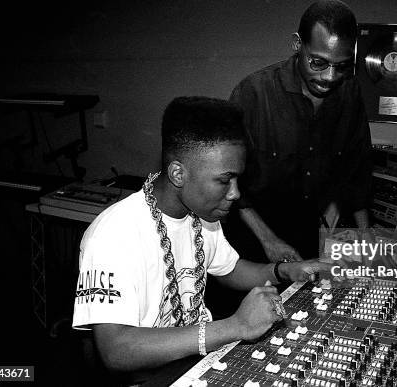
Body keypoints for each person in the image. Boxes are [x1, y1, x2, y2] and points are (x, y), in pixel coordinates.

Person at [72, 96, 331, 381]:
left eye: (237, 180)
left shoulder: (201, 213)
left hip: (197, 363)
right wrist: (234, 327)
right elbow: (116, 350)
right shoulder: (113, 234)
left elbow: (230, 269)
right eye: (224, 180)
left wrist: (284, 271)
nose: (235, 193)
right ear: (178, 174)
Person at [222, 0, 372, 267]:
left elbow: (356, 168)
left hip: (310, 238)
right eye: (318, 63)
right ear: (296, 44)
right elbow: (230, 184)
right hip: (254, 240)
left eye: (341, 66)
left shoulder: (350, 92)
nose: (329, 76)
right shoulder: (253, 94)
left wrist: (365, 234)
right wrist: (269, 240)